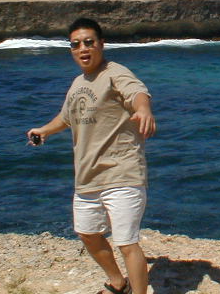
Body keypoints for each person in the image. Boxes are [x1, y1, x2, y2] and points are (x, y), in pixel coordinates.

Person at [27, 17, 156, 294]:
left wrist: (143, 109)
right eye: (76, 44)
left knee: (126, 242)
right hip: (87, 177)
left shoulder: (115, 72)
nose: (83, 48)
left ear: (101, 44)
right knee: (87, 234)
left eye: (89, 42)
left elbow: (137, 92)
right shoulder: (78, 83)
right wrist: (45, 130)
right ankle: (118, 283)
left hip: (121, 172)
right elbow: (67, 117)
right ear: (71, 50)